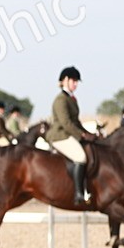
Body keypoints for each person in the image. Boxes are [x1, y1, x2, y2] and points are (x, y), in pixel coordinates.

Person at [46, 66, 97, 204]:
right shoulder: (61, 99)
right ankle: (79, 193)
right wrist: (82, 136)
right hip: (59, 135)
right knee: (80, 157)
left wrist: (89, 133)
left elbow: (76, 121)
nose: (76, 84)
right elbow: (66, 123)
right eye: (74, 81)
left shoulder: (71, 98)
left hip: (68, 133)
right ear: (65, 80)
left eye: (76, 81)